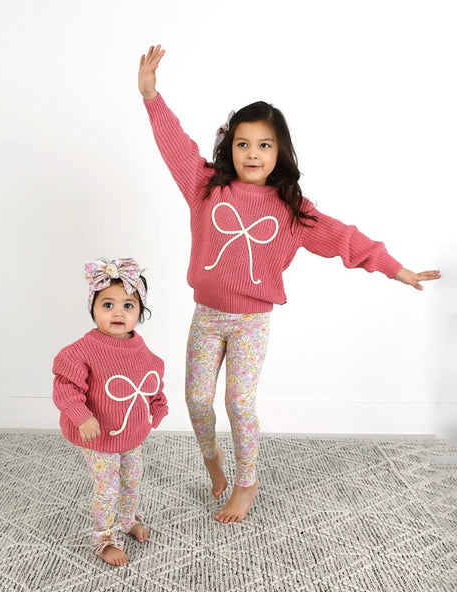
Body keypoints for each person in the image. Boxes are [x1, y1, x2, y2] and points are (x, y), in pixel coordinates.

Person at [138, 44, 441, 524]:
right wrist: (152, 97)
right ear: (229, 147)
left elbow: (342, 237)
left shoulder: (290, 209)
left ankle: (247, 482)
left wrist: (395, 268)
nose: (252, 153)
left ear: (279, 152)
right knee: (195, 400)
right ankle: (213, 462)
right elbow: (175, 145)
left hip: (252, 321)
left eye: (264, 145)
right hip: (208, 315)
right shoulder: (206, 187)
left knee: (239, 403)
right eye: (242, 143)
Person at [52, 257, 168, 565]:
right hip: (100, 437)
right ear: (92, 309)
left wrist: (158, 405)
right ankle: (103, 538)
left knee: (132, 479)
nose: (118, 313)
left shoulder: (142, 350)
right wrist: (82, 415)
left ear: (140, 311)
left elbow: (151, 380)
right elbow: (66, 386)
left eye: (128, 306)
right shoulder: (82, 351)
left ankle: (127, 520)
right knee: (108, 488)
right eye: (107, 305)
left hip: (131, 436)